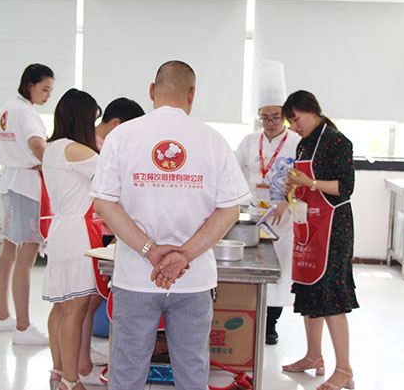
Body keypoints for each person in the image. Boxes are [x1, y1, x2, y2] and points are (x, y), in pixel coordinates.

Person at [90, 60, 251, 390]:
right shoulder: (212, 140)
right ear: (192, 95)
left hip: (135, 276)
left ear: (152, 90)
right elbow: (229, 210)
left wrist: (150, 251)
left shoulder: (121, 136)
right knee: (192, 372)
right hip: (193, 278)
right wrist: (183, 255)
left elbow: (104, 203)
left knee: (127, 371)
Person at [280, 90, 358, 390]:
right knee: (310, 288)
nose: (293, 126)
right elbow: (301, 182)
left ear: (311, 111)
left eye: (295, 119)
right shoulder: (304, 143)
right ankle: (313, 356)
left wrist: (309, 182)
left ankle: (344, 369)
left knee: (331, 295)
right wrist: (292, 187)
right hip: (309, 224)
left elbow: (345, 187)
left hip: (334, 228)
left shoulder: (338, 142)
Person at [77, 97, 146, 385]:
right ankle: (81, 365)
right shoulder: (98, 148)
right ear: (117, 124)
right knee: (88, 299)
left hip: (101, 227)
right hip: (98, 229)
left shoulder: (95, 143)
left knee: (91, 299)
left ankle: (83, 358)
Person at [41, 88, 103, 390]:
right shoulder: (76, 150)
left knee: (61, 307)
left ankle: (58, 371)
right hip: (78, 233)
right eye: (92, 120)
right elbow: (113, 174)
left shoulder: (52, 148)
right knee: (75, 311)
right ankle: (70, 379)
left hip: (59, 229)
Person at [234, 60, 300, 345]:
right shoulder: (250, 141)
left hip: (283, 217)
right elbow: (233, 170)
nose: (270, 123)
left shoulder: (296, 142)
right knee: (252, 268)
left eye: (275, 117)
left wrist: (288, 201)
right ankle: (251, 319)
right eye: (265, 118)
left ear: (284, 117)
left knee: (280, 272)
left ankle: (271, 324)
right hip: (253, 216)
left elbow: (305, 180)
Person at [0, 63, 53, 345]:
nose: (47, 95)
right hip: (25, 188)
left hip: (9, 183)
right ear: (31, 86)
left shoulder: (9, 108)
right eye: (45, 89)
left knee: (8, 252)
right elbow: (37, 144)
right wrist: (53, 165)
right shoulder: (26, 112)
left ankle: (3, 317)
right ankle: (23, 328)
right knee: (25, 258)